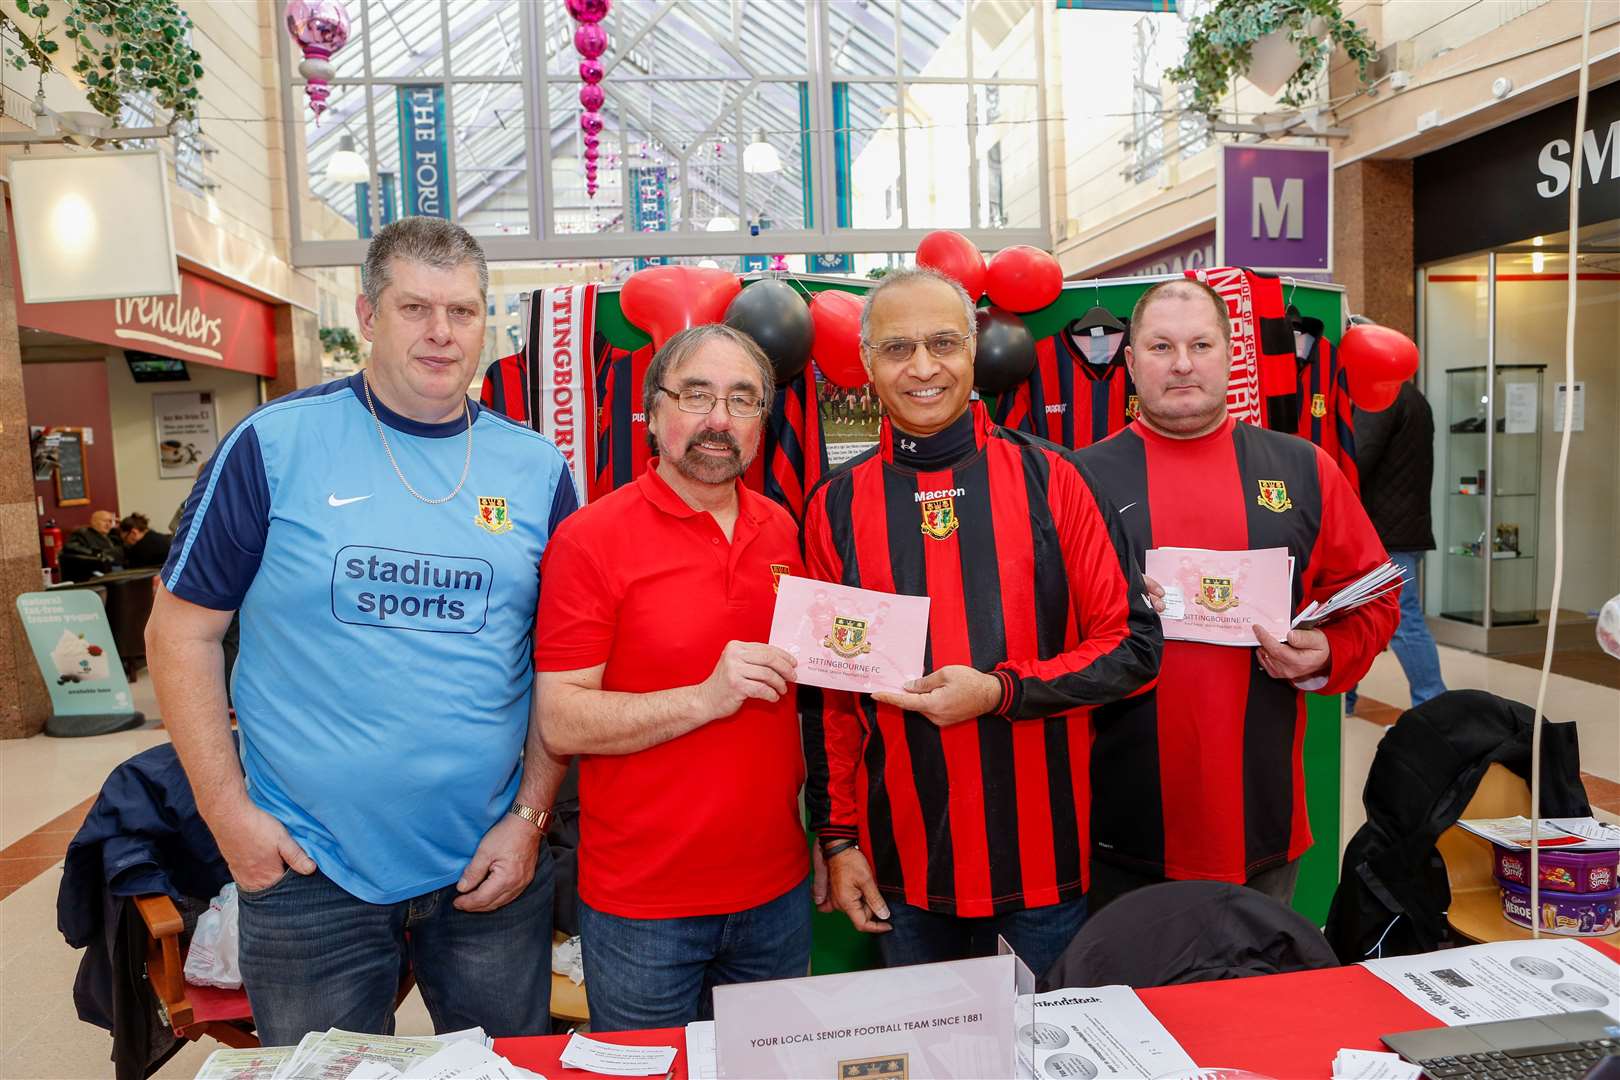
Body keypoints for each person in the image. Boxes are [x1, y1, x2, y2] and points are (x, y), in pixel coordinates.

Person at [145, 216, 575, 1045]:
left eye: (463, 311)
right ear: (368, 315)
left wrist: (528, 819)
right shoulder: (273, 445)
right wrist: (229, 816)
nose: (442, 334)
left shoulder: (536, 469)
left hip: (487, 865)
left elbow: (563, 667)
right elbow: (179, 635)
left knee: (508, 1072)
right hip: (308, 867)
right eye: (416, 309)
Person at [800, 267, 1162, 976]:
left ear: (975, 351)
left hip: (1044, 860)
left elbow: (1133, 647)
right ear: (867, 361)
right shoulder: (833, 506)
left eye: (942, 342)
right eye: (898, 348)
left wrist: (999, 692)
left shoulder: (1054, 478)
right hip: (900, 864)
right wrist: (839, 838)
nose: (924, 367)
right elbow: (829, 699)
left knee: (1037, 1057)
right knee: (926, 1054)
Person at [1077, 279, 1398, 912]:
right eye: (1161, 346)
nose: (1182, 363)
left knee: (1250, 1005)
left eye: (1201, 344)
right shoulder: (1076, 479)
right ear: (1131, 360)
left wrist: (1326, 653)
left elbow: (1373, 596)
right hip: (1118, 826)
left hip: (1262, 820)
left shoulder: (1305, 467)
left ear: (1231, 355)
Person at [534, 324, 810, 1030]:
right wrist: (704, 699)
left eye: (742, 400)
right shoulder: (591, 538)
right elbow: (561, 719)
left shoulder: (786, 531)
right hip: (643, 910)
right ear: (653, 414)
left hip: (775, 893)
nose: (719, 419)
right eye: (696, 395)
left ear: (761, 424)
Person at [1349, 378, 1447, 712]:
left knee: (1404, 622)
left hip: (1385, 532)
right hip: (1402, 527)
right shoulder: (1412, 395)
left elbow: (1357, 458)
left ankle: (1433, 707)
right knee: (1353, 614)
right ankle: (1345, 698)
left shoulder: (1379, 395)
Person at [61, 510, 123, 579]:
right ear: (94, 522)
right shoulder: (83, 534)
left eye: (110, 522)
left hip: (116, 567)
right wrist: (96, 553)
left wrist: (122, 526)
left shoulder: (112, 535)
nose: (108, 524)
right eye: (105, 521)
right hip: (96, 570)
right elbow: (70, 547)